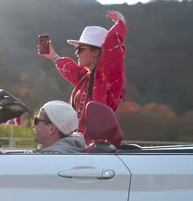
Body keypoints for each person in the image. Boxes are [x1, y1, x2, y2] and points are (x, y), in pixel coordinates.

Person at [39, 11, 127, 143]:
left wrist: (120, 26)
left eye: (80, 49)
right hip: (78, 145)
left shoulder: (107, 79)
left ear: (96, 52)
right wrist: (53, 56)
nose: (76, 53)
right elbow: (70, 68)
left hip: (93, 148)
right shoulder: (85, 77)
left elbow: (113, 53)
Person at [0, 101, 86, 154]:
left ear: (51, 128)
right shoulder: (57, 152)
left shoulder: (55, 156)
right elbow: (26, 157)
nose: (33, 125)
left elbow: (23, 163)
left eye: (37, 121)